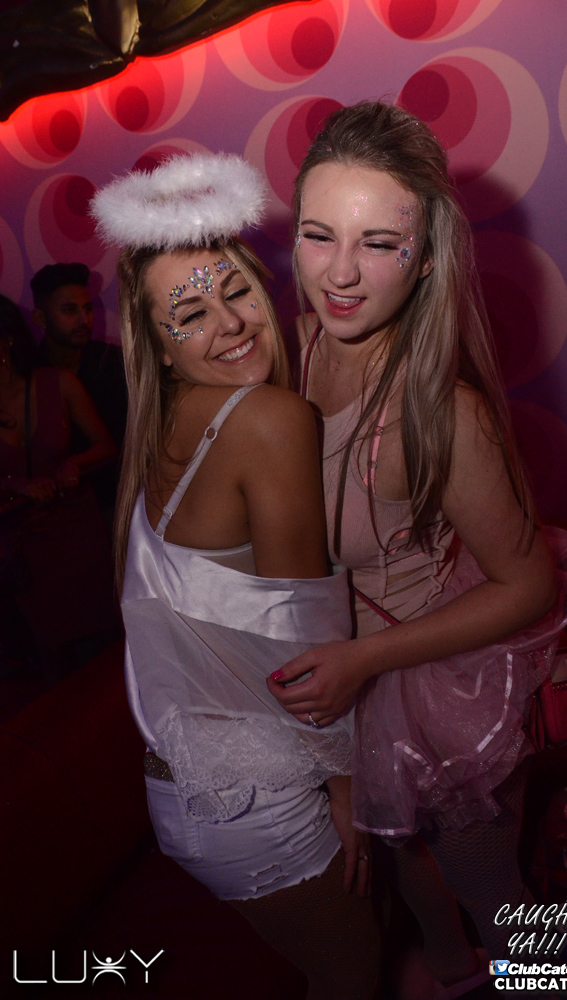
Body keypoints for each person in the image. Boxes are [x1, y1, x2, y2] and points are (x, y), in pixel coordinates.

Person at [267, 102, 567, 975]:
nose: (341, 273)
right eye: (318, 235)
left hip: (432, 682)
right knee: (394, 857)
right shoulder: (287, 356)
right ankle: (452, 974)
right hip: (341, 679)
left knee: (495, 895)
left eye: (379, 243)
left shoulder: (444, 413)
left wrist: (365, 660)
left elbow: (530, 585)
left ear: (423, 260)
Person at [91, 152, 380, 1000]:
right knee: (357, 976)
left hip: (189, 793)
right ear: (159, 348)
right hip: (258, 799)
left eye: (237, 292)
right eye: (190, 312)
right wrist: (349, 788)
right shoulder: (267, 418)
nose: (230, 323)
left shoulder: (162, 428)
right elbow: (304, 637)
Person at [0, 292, 117, 666]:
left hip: (77, 533)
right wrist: (14, 483)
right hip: (22, 545)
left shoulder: (58, 383)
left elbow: (106, 446)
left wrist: (74, 464)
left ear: (7, 339)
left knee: (103, 651)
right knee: (46, 661)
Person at [31, 261, 127, 513]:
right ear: (40, 318)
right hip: (55, 511)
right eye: (69, 310)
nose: (84, 319)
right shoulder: (30, 375)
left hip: (123, 496)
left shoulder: (114, 362)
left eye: (88, 308)